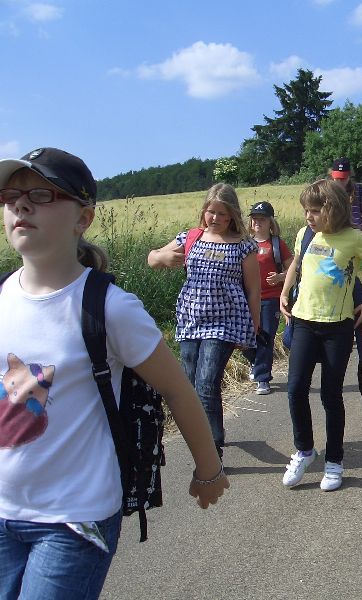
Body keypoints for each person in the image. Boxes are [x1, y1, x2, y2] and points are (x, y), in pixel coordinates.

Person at [0, 147, 228, 599]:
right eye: (11, 196)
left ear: (83, 218)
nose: (21, 205)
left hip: (74, 518)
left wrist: (208, 471)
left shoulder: (110, 307)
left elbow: (178, 391)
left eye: (42, 194)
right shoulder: (1, 295)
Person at [279, 179, 362, 491]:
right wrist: (285, 291)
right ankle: (304, 450)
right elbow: (297, 263)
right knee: (296, 389)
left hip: (337, 327)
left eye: (315, 211)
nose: (308, 216)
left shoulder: (354, 238)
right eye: (306, 210)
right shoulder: (306, 234)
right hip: (302, 322)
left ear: (333, 209)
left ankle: (334, 461)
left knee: (331, 395)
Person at [148, 183, 261, 459]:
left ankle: (213, 448)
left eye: (223, 214)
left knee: (207, 383)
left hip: (225, 322)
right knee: (189, 383)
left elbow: (254, 289)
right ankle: (200, 435)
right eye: (212, 212)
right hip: (190, 318)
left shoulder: (244, 246)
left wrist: (253, 327)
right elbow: (152, 259)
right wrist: (162, 256)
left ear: (233, 215)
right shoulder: (191, 237)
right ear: (204, 211)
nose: (216, 219)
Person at [241, 201, 293, 395]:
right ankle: (257, 362)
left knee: (266, 337)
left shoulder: (277, 244)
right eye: (254, 218)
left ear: (270, 222)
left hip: (271, 298)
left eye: (261, 219)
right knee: (244, 338)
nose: (257, 222)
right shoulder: (244, 243)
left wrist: (280, 277)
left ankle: (263, 378)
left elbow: (293, 268)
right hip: (246, 298)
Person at [330, 157, 362, 238]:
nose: (339, 182)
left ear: (349, 176)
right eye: (337, 178)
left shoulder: (360, 189)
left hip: (357, 235)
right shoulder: (327, 191)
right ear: (332, 175)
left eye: (343, 179)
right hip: (334, 235)